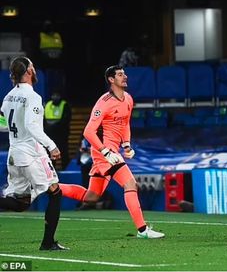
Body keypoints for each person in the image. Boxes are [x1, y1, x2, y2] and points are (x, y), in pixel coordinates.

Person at [57, 65, 164, 239]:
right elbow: (88, 132)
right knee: (131, 184)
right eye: (120, 75)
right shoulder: (103, 103)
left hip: (114, 151)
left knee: (91, 196)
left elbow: (125, 124)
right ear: (111, 80)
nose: (125, 77)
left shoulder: (128, 99)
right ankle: (143, 230)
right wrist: (106, 152)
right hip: (104, 153)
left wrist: (127, 144)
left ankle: (50, 186)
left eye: (124, 74)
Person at [0, 57, 68, 250]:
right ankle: (48, 243)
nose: (35, 69)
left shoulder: (9, 96)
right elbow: (32, 126)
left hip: (14, 153)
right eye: (33, 66)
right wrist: (52, 146)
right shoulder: (33, 97)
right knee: (55, 192)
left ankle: (49, 242)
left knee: (21, 203)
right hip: (30, 153)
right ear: (29, 71)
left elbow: (2, 123)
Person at [44, 91, 71, 169]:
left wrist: (55, 125)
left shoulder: (64, 105)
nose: (55, 97)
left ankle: (65, 168)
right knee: (50, 154)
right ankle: (51, 170)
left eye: (57, 95)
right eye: (54, 95)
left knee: (64, 152)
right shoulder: (47, 105)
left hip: (61, 134)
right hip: (50, 135)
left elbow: (66, 119)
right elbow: (43, 120)